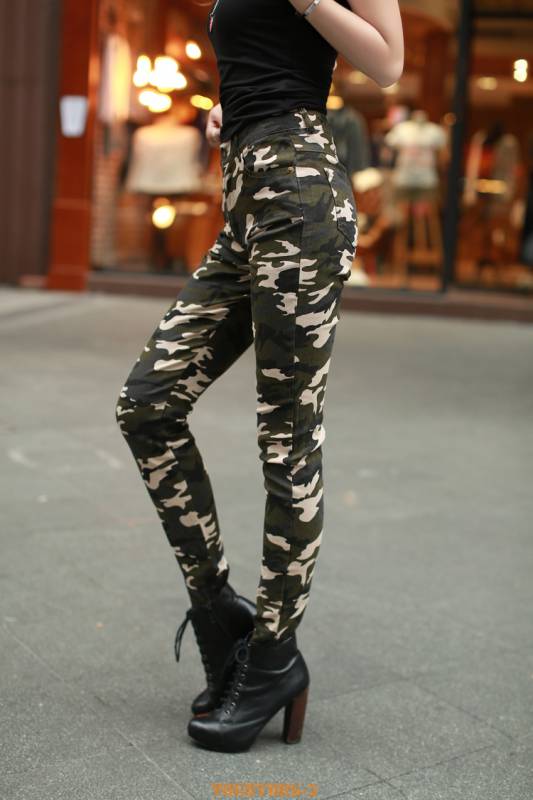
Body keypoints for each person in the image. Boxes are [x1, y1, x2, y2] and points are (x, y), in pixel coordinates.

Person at [115, 0, 403, 753]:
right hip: (246, 206)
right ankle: (220, 615)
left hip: (299, 201)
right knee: (147, 404)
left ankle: (273, 654)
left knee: (287, 439)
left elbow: (388, 61)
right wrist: (228, 110)